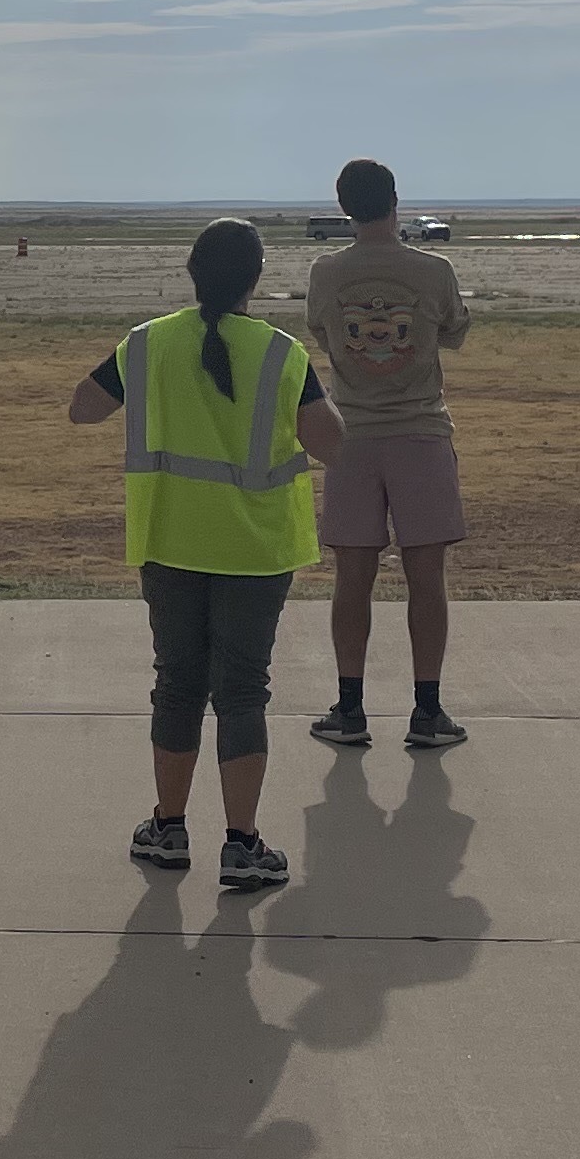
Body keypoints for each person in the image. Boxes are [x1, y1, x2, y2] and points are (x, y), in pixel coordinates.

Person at [69, 218, 342, 892]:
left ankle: (168, 827)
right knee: (243, 690)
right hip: (255, 550)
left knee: (178, 685)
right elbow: (333, 444)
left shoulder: (147, 343)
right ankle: (242, 843)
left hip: (170, 541)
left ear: (192, 273)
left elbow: (82, 408)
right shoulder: (280, 354)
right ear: (255, 279)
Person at [302, 158, 473, 754]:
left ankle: (350, 708)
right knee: (427, 577)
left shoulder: (325, 273)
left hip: (351, 436)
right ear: (396, 201)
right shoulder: (433, 270)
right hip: (421, 432)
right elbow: (454, 331)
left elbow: (324, 334)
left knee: (353, 578)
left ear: (345, 207)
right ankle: (427, 710)